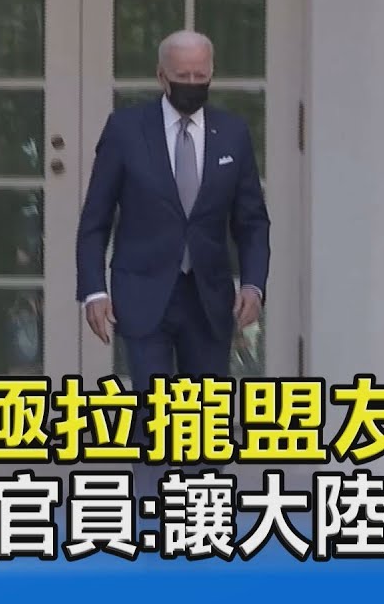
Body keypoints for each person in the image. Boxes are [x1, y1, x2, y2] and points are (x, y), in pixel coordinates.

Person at [75, 30, 270, 497]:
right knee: (154, 411)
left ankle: (202, 513)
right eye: (183, 76)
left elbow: (252, 220)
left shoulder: (233, 133)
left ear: (212, 74)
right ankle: (151, 514)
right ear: (162, 76)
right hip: (143, 291)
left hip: (208, 294)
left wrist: (254, 284)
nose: (192, 84)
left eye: (201, 76)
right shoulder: (126, 130)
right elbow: (95, 219)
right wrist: (93, 290)